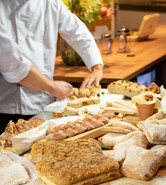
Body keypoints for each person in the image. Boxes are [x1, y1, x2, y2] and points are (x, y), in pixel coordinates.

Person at [0, 0, 103, 133]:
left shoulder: (50, 2)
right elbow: (14, 65)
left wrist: (96, 66)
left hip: (42, 102)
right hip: (4, 103)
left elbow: (77, 31)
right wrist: (52, 86)